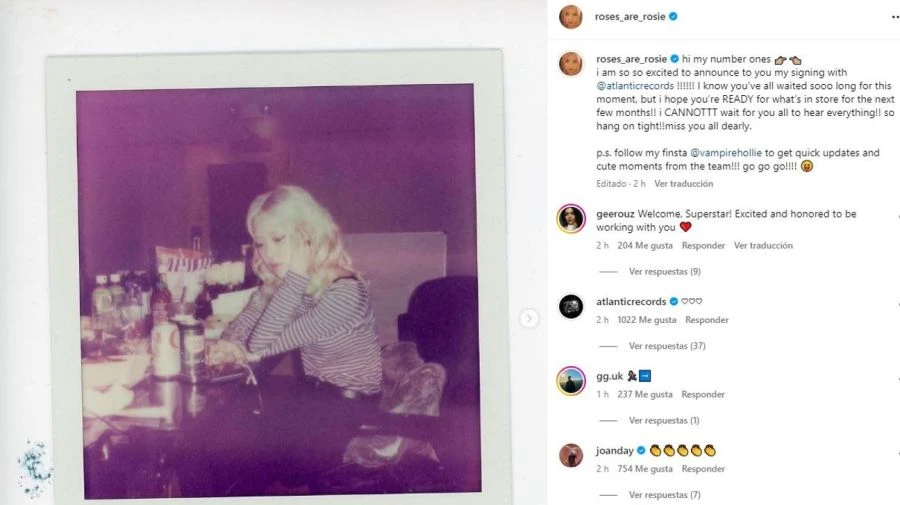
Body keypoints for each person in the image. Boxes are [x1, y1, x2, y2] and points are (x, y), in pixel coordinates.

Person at [187, 185, 384, 495]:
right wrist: (229, 345)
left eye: (278, 239)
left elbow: (262, 346)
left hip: (348, 410)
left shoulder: (345, 291)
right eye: (260, 243)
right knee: (220, 436)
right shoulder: (287, 282)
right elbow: (241, 327)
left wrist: (296, 277)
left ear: (308, 235)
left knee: (232, 451)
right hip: (314, 398)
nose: (267, 254)